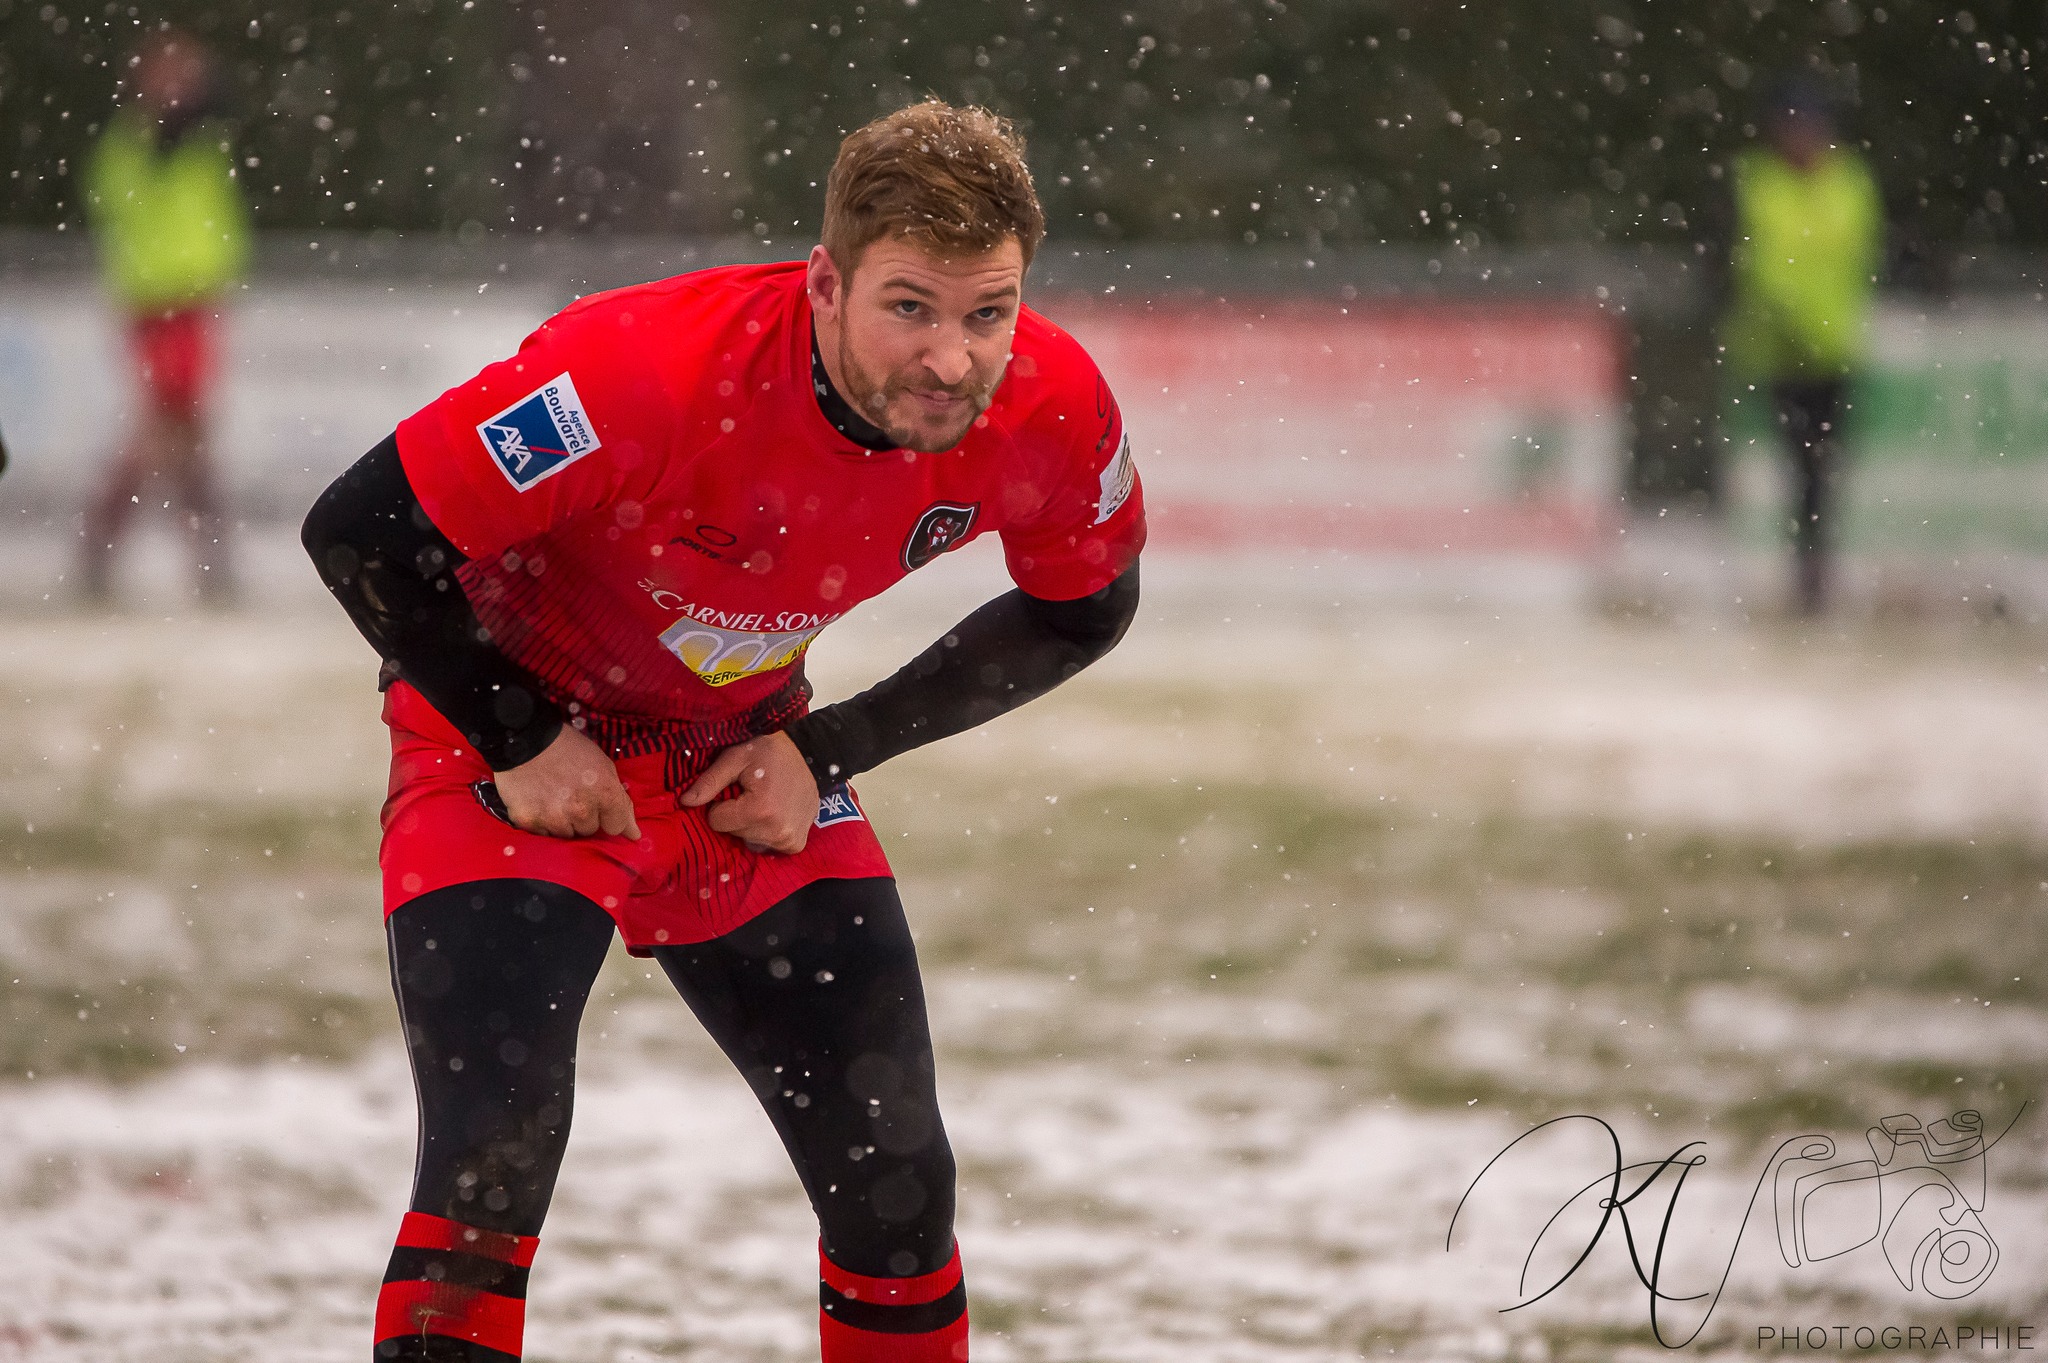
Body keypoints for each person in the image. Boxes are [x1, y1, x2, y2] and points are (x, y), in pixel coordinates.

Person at [301, 100, 1145, 1362]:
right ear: (823, 283)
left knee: (895, 1174)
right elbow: (362, 534)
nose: (952, 359)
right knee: (492, 1152)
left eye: (988, 311)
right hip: (502, 750)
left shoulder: (1050, 404)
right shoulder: (637, 376)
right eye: (907, 306)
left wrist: (831, 747)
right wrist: (523, 735)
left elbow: (1084, 612)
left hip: (737, 753)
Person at [81, 28, 249, 605]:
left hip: (193, 304)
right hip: (159, 306)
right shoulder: (136, 147)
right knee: (169, 434)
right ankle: (201, 560)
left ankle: (113, 552)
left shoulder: (194, 143)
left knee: (180, 434)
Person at [1722, 77, 1883, 616]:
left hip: (1836, 353)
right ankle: (1803, 575)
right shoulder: (1758, 183)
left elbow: (1862, 257)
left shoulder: (1851, 183)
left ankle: (1814, 577)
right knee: (1798, 471)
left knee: (1822, 475)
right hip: (1779, 354)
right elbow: (1763, 268)